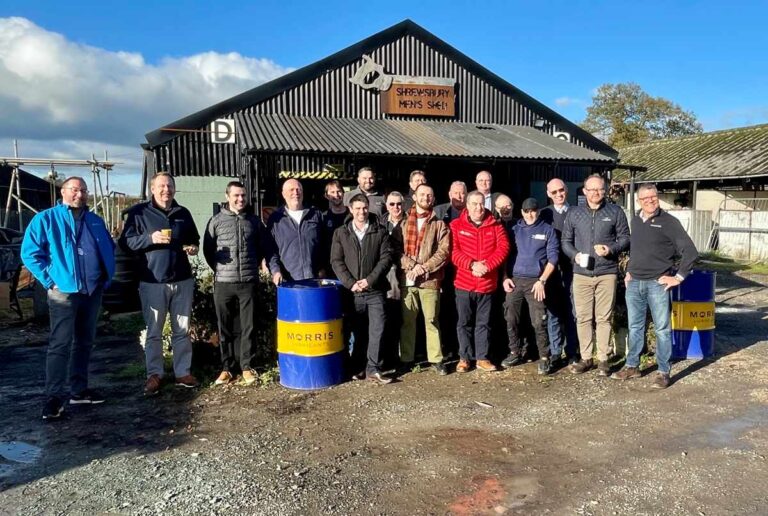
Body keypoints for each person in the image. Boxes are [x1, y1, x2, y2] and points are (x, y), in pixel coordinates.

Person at [21, 177, 116, 420]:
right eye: (75, 190)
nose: (80, 194)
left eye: (84, 190)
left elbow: (107, 249)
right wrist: (49, 280)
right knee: (61, 343)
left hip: (92, 290)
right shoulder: (46, 219)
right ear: (63, 192)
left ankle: (79, 390)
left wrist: (105, 277)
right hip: (63, 290)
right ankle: (53, 397)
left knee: (85, 341)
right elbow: (29, 253)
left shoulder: (95, 221)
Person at [612, 183, 698, 389]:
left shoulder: (669, 222)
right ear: (639, 201)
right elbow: (638, 249)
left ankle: (663, 371)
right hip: (634, 284)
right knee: (635, 327)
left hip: (657, 284)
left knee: (662, 329)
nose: (650, 200)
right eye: (645, 198)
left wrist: (677, 277)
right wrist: (630, 271)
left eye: (653, 196)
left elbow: (691, 252)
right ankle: (633, 366)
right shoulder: (636, 220)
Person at [121, 172, 200, 395]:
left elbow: (194, 238)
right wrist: (150, 239)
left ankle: (182, 372)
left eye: (170, 186)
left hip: (182, 279)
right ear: (153, 189)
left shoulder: (182, 213)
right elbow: (126, 243)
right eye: (162, 186)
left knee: (182, 330)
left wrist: (193, 247)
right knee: (154, 332)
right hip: (152, 281)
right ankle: (154, 374)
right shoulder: (139, 213)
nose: (166, 190)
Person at [203, 181, 274, 386]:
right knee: (224, 327)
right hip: (224, 282)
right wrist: (219, 268)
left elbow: (262, 247)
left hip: (248, 282)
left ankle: (246, 367)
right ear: (227, 196)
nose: (240, 199)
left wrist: (253, 265)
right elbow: (208, 251)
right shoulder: (215, 221)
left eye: (243, 195)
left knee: (248, 326)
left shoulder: (254, 221)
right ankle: (226, 368)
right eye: (236, 195)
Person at [562, 174, 630, 376]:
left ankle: (603, 359)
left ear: (605, 190)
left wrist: (610, 249)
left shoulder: (615, 211)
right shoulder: (574, 213)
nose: (595, 193)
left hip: (606, 273)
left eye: (600, 189)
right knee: (582, 317)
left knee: (603, 317)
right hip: (581, 274)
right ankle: (586, 358)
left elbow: (626, 238)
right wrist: (575, 256)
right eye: (591, 189)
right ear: (584, 191)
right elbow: (566, 241)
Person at [330, 193, 394, 384]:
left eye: (364, 208)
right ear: (351, 209)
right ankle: (357, 367)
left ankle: (373, 368)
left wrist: (369, 280)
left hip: (375, 290)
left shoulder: (380, 231)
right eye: (357, 208)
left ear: (369, 208)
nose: (361, 212)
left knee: (377, 329)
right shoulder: (341, 233)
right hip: (352, 293)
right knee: (357, 331)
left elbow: (386, 258)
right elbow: (336, 261)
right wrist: (351, 283)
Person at [393, 184, 451, 375]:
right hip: (407, 280)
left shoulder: (439, 224)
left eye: (430, 195)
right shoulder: (402, 223)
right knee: (407, 321)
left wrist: (424, 268)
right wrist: (411, 266)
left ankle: (436, 359)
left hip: (430, 280)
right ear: (415, 197)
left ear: (433, 199)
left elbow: (443, 251)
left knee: (432, 320)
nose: (426, 198)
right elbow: (395, 250)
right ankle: (407, 358)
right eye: (423, 194)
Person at [450, 190, 509, 372]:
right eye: (474, 204)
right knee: (464, 323)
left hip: (486, 284)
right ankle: (464, 358)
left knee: (484, 323)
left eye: (481, 204)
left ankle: (482, 358)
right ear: (467, 206)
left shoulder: (495, 225)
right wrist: (471, 265)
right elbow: (453, 251)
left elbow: (504, 248)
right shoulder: (456, 225)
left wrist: (488, 266)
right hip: (464, 283)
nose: (478, 207)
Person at [501, 198, 559, 375]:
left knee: (538, 321)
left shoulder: (547, 230)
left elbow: (553, 259)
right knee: (511, 318)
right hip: (515, 280)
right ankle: (515, 352)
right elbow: (504, 254)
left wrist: (542, 280)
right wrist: (504, 277)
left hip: (536, 282)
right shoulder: (514, 229)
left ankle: (544, 357)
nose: (530, 214)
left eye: (533, 210)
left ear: (538, 211)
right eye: (526, 211)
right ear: (521, 212)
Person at [539, 178, 579, 364]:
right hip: (551, 271)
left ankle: (572, 350)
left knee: (572, 311)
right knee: (553, 312)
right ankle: (555, 351)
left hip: (573, 269)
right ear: (548, 194)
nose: (558, 195)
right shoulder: (543, 214)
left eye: (561, 190)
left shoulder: (577, 212)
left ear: (566, 189)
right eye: (554, 192)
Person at [267, 179, 325, 284]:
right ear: (283, 194)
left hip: (315, 279)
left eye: (299, 189)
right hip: (288, 282)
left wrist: (322, 268)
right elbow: (271, 250)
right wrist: (276, 271)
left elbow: (325, 244)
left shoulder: (316, 214)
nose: (296, 193)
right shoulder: (276, 219)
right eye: (291, 190)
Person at [434, 180, 467, 358]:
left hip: (465, 269)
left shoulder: (472, 212)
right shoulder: (439, 212)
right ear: (449, 194)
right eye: (456, 193)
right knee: (445, 309)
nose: (459, 196)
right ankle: (447, 347)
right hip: (444, 269)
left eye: (462, 193)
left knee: (462, 311)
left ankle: (462, 348)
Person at [322, 180, 348, 278]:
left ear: (343, 193)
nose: (336, 195)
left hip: (350, 265)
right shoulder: (323, 218)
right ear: (326, 196)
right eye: (332, 192)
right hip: (330, 266)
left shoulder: (353, 215)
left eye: (339, 191)